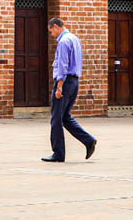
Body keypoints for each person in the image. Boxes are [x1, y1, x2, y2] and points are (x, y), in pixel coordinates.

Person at [43, 18, 97, 163]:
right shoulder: (75, 39)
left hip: (65, 82)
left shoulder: (63, 42)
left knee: (56, 119)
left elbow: (62, 65)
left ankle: (58, 153)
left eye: (51, 31)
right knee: (65, 117)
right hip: (74, 81)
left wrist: (59, 86)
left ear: (56, 26)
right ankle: (88, 140)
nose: (52, 35)